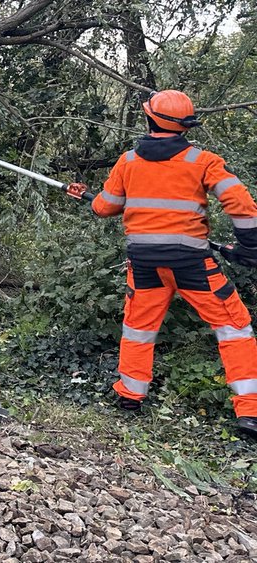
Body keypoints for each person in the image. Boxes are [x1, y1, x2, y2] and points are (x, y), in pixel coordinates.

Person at [70, 90, 257, 438]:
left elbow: (104, 207)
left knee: (139, 329)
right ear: (185, 126)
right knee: (234, 327)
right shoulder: (203, 161)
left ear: (150, 118)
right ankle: (250, 412)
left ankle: (130, 396)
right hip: (192, 264)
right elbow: (239, 201)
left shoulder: (128, 161)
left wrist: (87, 196)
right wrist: (250, 244)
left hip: (144, 264)